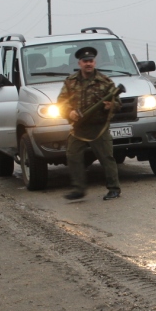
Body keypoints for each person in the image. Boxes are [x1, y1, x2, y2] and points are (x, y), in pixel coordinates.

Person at [56, 46, 122, 201]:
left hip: (99, 127)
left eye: (91, 61)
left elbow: (118, 103)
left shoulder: (105, 82)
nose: (88, 64)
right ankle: (79, 188)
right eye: (85, 61)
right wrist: (69, 112)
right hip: (79, 127)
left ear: (95, 62)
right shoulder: (71, 82)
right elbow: (61, 103)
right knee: (72, 155)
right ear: (79, 63)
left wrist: (110, 106)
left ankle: (114, 189)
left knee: (107, 157)